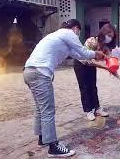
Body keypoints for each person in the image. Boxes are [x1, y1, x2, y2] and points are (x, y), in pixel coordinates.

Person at [23, 19, 105, 158]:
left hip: (29, 71)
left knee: (40, 108)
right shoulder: (68, 33)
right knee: (48, 110)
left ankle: (42, 138)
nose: (78, 35)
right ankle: (53, 147)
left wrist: (95, 58)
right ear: (75, 28)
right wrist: (97, 54)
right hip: (40, 73)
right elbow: (84, 52)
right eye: (78, 31)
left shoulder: (59, 37)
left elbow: (78, 55)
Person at [73, 23, 118, 121]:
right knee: (85, 87)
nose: (109, 38)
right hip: (81, 64)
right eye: (109, 35)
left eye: (111, 37)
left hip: (91, 65)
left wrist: (113, 69)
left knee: (93, 86)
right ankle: (88, 111)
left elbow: (109, 59)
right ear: (104, 32)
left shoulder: (105, 46)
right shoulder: (91, 41)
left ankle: (97, 108)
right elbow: (89, 61)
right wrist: (106, 68)